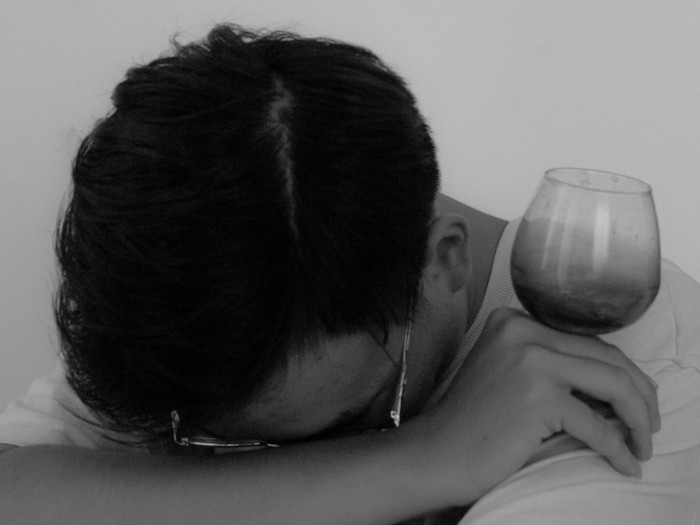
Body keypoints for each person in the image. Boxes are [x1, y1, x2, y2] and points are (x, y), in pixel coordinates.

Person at [0, 24, 696, 525]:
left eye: (353, 422)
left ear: (443, 260)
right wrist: (420, 458)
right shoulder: (192, 296)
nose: (283, 467)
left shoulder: (637, 378)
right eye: (215, 443)